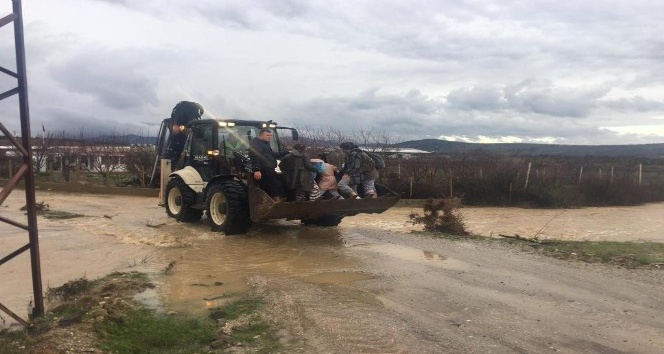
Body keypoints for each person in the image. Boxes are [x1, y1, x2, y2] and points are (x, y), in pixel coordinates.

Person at [249, 128, 288, 202]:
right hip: (264, 169)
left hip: (270, 168)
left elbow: (273, 155)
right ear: (261, 135)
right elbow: (255, 156)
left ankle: (277, 201)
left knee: (276, 183)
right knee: (272, 186)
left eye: (270, 135)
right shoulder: (256, 144)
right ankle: (276, 202)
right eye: (267, 135)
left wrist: (286, 152)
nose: (269, 137)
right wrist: (257, 170)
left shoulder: (265, 144)